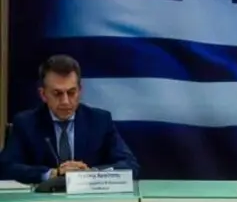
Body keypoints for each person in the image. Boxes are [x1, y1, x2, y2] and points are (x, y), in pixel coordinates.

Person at [0, 54, 140, 184]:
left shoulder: (100, 121)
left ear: (80, 91)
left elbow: (130, 165)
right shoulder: (26, 123)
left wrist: (92, 174)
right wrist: (52, 174)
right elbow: (6, 168)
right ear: (43, 94)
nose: (65, 101)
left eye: (71, 93)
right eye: (57, 93)